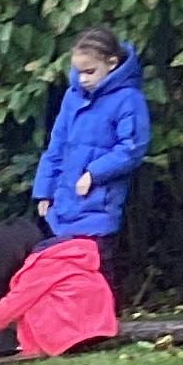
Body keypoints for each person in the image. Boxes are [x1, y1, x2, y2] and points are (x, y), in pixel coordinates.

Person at [30, 27, 150, 296]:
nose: (82, 78)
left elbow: (131, 148)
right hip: (64, 203)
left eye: (90, 71)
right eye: (79, 71)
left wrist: (94, 173)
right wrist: (44, 190)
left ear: (112, 63)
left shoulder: (129, 99)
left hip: (99, 205)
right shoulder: (72, 96)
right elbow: (56, 145)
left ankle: (105, 316)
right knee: (64, 270)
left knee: (98, 269)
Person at [0, 231, 118, 358]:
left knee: (28, 303)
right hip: (101, 326)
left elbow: (13, 304)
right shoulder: (76, 256)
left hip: (68, 336)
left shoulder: (39, 267)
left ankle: (35, 348)